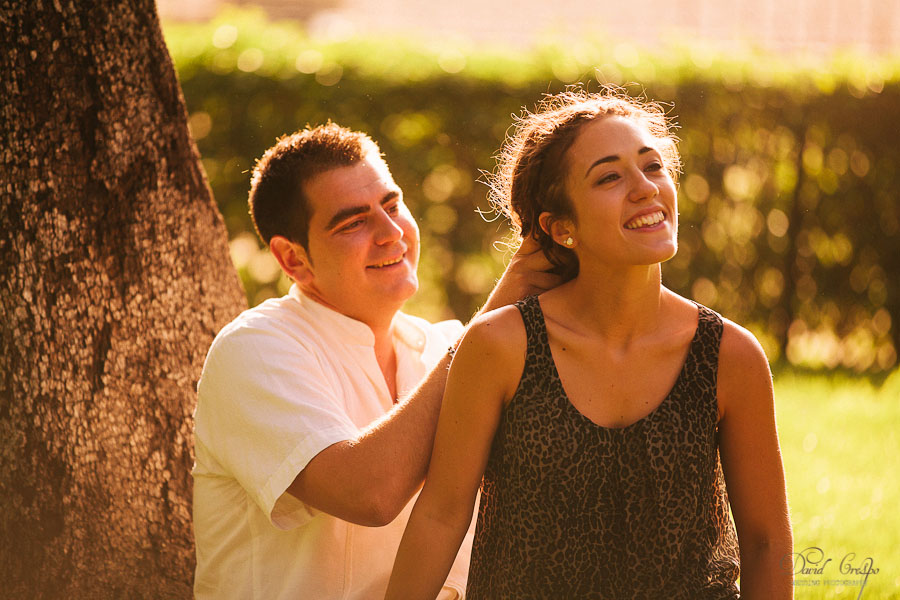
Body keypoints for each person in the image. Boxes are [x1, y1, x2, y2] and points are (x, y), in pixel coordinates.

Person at [386, 89, 793, 599]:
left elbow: (765, 541)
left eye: (653, 166)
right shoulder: (498, 346)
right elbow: (441, 517)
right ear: (561, 229)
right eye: (609, 176)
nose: (645, 188)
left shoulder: (731, 355)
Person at [191, 123, 556, 599]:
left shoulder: (440, 345)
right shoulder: (254, 349)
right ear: (293, 260)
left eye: (392, 205)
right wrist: (490, 323)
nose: (392, 233)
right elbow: (369, 494)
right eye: (353, 222)